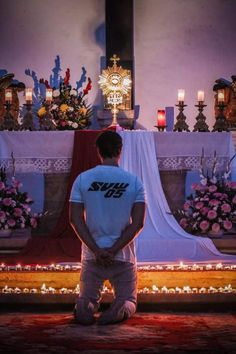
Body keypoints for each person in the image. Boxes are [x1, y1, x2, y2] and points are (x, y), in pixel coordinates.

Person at [69, 130, 146, 325]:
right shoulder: (134, 181)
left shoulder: (83, 179)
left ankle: (84, 308)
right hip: (123, 257)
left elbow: (74, 219)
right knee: (129, 300)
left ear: (98, 151)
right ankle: (121, 308)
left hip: (92, 256)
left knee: (87, 299)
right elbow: (138, 223)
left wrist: (96, 250)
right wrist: (113, 250)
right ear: (120, 150)